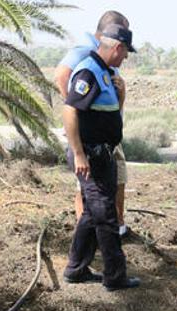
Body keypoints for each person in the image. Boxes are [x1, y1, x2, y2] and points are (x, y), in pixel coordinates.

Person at [61, 25, 140, 291]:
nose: (126, 58)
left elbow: (104, 113)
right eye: (126, 52)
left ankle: (75, 269)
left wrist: (120, 96)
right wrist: (80, 154)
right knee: (105, 215)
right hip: (91, 156)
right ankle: (115, 277)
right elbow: (70, 111)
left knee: (92, 215)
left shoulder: (105, 73)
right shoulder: (89, 72)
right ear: (117, 47)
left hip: (102, 154)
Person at [55, 11, 131, 237]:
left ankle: (109, 230)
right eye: (125, 45)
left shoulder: (105, 61)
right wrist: (82, 114)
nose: (126, 56)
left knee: (113, 183)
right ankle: (105, 239)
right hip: (91, 142)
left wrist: (121, 93)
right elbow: (62, 78)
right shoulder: (86, 55)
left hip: (107, 140)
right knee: (92, 196)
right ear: (114, 38)